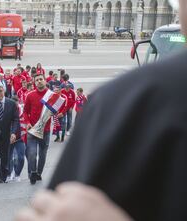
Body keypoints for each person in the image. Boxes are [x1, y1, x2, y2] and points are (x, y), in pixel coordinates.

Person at [17, 2, 187, 221]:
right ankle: (33, 171)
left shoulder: (125, 102)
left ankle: (36, 170)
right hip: (35, 129)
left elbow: (65, 203)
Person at [23, 74, 51, 185]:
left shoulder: (51, 95)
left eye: (41, 79)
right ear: (34, 83)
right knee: (32, 153)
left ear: (45, 81)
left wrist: (59, 113)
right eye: (37, 80)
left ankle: (39, 173)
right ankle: (32, 173)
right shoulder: (30, 95)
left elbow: (58, 109)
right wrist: (28, 122)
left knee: (43, 154)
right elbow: (25, 111)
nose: (39, 81)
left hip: (46, 130)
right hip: (33, 130)